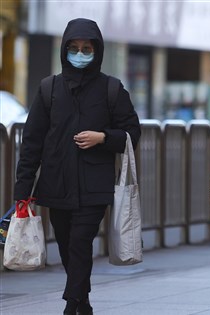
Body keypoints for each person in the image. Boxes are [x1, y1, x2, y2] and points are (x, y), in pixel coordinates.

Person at [14, 18, 141, 315]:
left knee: (81, 242)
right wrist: (23, 189)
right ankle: (83, 301)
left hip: (95, 184)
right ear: (64, 50)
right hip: (56, 183)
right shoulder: (49, 89)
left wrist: (103, 137)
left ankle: (71, 305)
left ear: (97, 51)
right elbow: (32, 142)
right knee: (67, 243)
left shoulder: (112, 89)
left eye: (87, 48)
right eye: (74, 48)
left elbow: (133, 132)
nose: (80, 54)